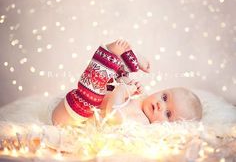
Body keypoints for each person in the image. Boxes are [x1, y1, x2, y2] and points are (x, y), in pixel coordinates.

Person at [52, 40, 202, 126]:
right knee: (119, 76)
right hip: (91, 95)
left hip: (73, 114)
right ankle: (132, 60)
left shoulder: (142, 122)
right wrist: (127, 82)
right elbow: (121, 83)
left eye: (168, 113)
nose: (160, 105)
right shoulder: (144, 96)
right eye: (164, 97)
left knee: (93, 95)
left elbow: (113, 115)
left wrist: (122, 91)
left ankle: (110, 53)